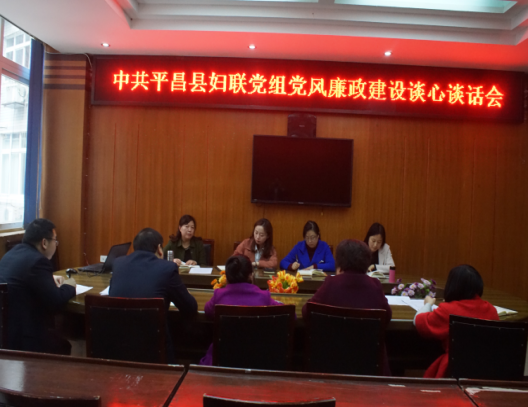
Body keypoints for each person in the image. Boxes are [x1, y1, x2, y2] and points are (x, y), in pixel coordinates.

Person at [302, 239, 392, 375]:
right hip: (369, 369)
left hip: (328, 366)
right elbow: (387, 317)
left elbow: (307, 312)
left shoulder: (331, 283)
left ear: (340, 262)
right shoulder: (375, 285)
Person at [110, 227, 198, 363]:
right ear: (159, 249)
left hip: (118, 348)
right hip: (155, 351)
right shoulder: (167, 268)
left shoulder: (118, 263)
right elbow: (190, 308)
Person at [0, 218, 76, 354]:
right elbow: (56, 301)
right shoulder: (38, 261)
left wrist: (49, 279)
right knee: (63, 345)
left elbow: (23, 279)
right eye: (55, 240)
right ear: (44, 243)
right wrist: (70, 286)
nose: (56, 245)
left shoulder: (11, 254)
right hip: (25, 339)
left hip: (5, 332)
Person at [413, 264, 499, 378]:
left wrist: (428, 304)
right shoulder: (491, 310)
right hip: (487, 370)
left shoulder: (448, 310)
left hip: (454, 370)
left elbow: (418, 321)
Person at [200, 255, 283, 365]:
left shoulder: (219, 295)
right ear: (251, 275)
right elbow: (291, 315)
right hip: (257, 359)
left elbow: (207, 311)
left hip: (223, 358)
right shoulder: (264, 296)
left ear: (227, 277)